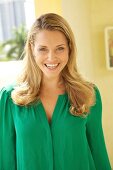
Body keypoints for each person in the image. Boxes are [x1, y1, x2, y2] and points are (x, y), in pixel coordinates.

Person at [0, 13, 111, 170]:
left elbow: (98, 154)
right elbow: (5, 160)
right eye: (43, 49)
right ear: (32, 49)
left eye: (59, 48)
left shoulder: (88, 94)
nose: (51, 58)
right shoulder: (9, 98)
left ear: (69, 49)